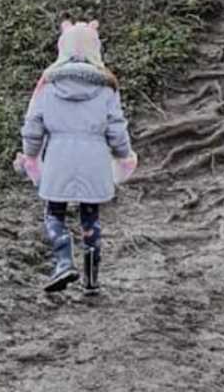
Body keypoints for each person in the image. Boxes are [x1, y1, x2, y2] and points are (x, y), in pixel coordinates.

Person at [15, 20, 136, 295]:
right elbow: (116, 128)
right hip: (94, 157)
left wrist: (30, 156)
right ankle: (91, 280)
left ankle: (64, 261)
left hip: (58, 155)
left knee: (54, 213)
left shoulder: (47, 85)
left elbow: (33, 125)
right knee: (90, 217)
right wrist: (123, 155)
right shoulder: (107, 87)